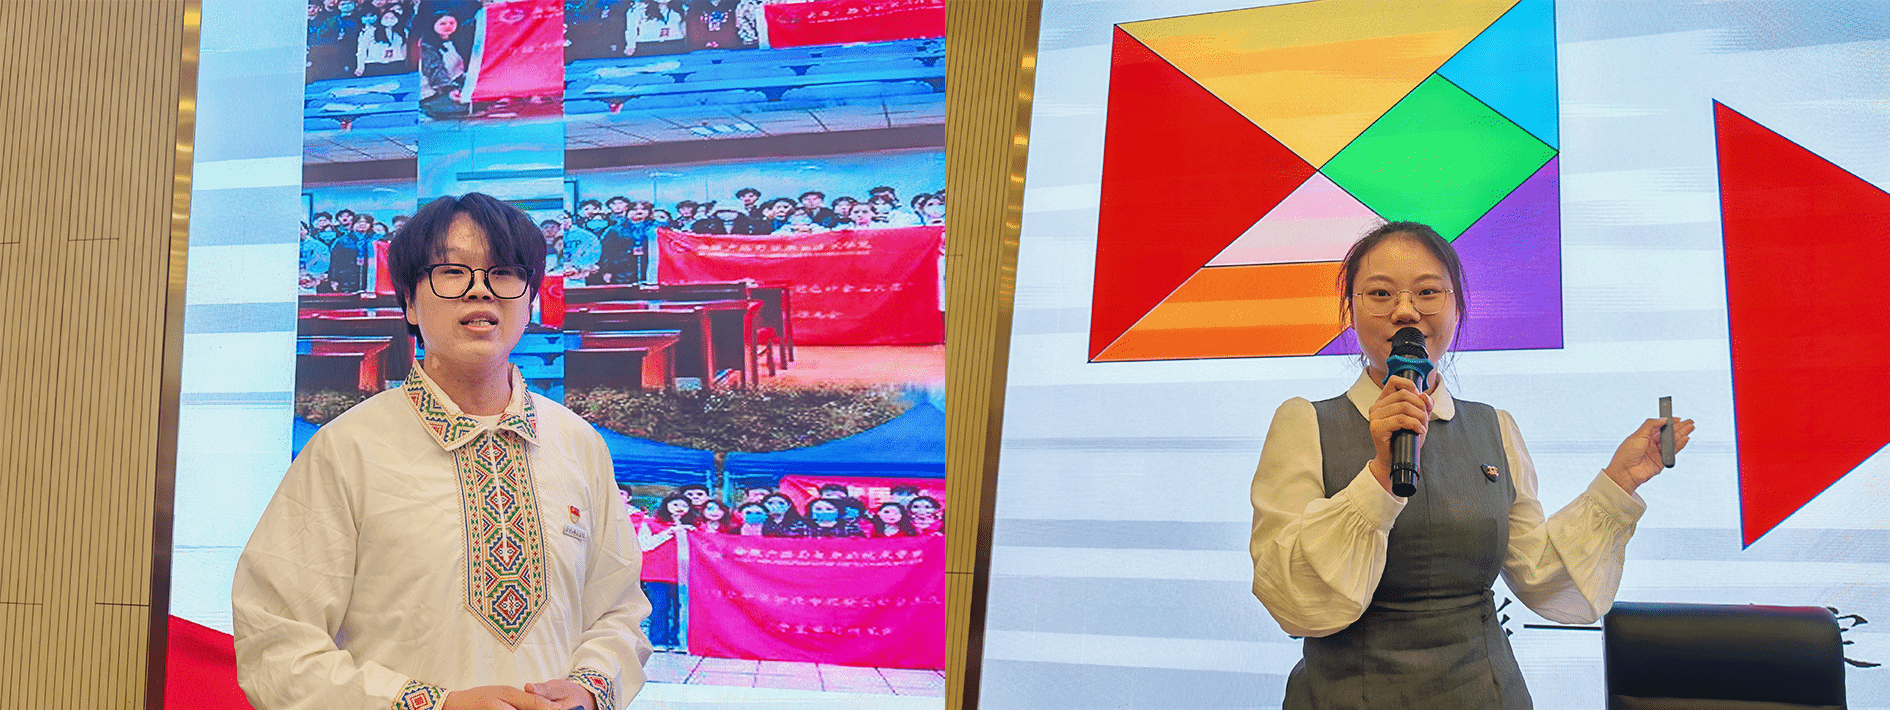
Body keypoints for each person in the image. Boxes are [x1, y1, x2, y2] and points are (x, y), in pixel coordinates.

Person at [1249, 221, 1696, 710]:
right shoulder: (1305, 424)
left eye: (1428, 292)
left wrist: (1620, 481)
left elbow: (1543, 577)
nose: (1405, 311)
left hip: (1486, 692)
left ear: (1457, 309)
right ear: (1351, 312)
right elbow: (1293, 600)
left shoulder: (1494, 427)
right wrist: (1379, 475)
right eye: (1380, 294)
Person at [234, 193, 650, 710]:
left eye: (504, 272)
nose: (480, 290)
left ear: (530, 300)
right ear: (409, 303)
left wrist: (590, 687)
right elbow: (276, 645)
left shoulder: (577, 444)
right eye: (452, 272)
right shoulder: (346, 448)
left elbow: (618, 611)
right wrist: (436, 705)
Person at [637, 493, 693, 653]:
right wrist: (668, 533)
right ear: (666, 506)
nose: (679, 509)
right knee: (659, 607)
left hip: (683, 574)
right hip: (657, 574)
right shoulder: (650, 523)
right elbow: (644, 545)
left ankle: (678, 640)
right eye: (675, 504)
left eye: (684, 505)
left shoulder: (691, 526)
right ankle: (658, 640)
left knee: (680, 608)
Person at [419, 11, 469, 118]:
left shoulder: (455, 42)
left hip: (454, 89)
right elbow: (435, 72)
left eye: (452, 23)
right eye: (442, 23)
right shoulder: (427, 47)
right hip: (433, 95)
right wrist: (450, 90)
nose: (448, 26)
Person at [355, 8, 407, 76]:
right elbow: (362, 50)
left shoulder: (401, 32)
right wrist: (360, 67)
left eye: (392, 18)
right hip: (375, 66)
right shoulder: (370, 32)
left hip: (396, 65)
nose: (389, 20)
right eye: (386, 18)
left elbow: (404, 50)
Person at [788, 499, 864, 538]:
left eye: (829, 509)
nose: (823, 512)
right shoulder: (801, 527)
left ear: (838, 512)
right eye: (818, 509)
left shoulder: (850, 528)